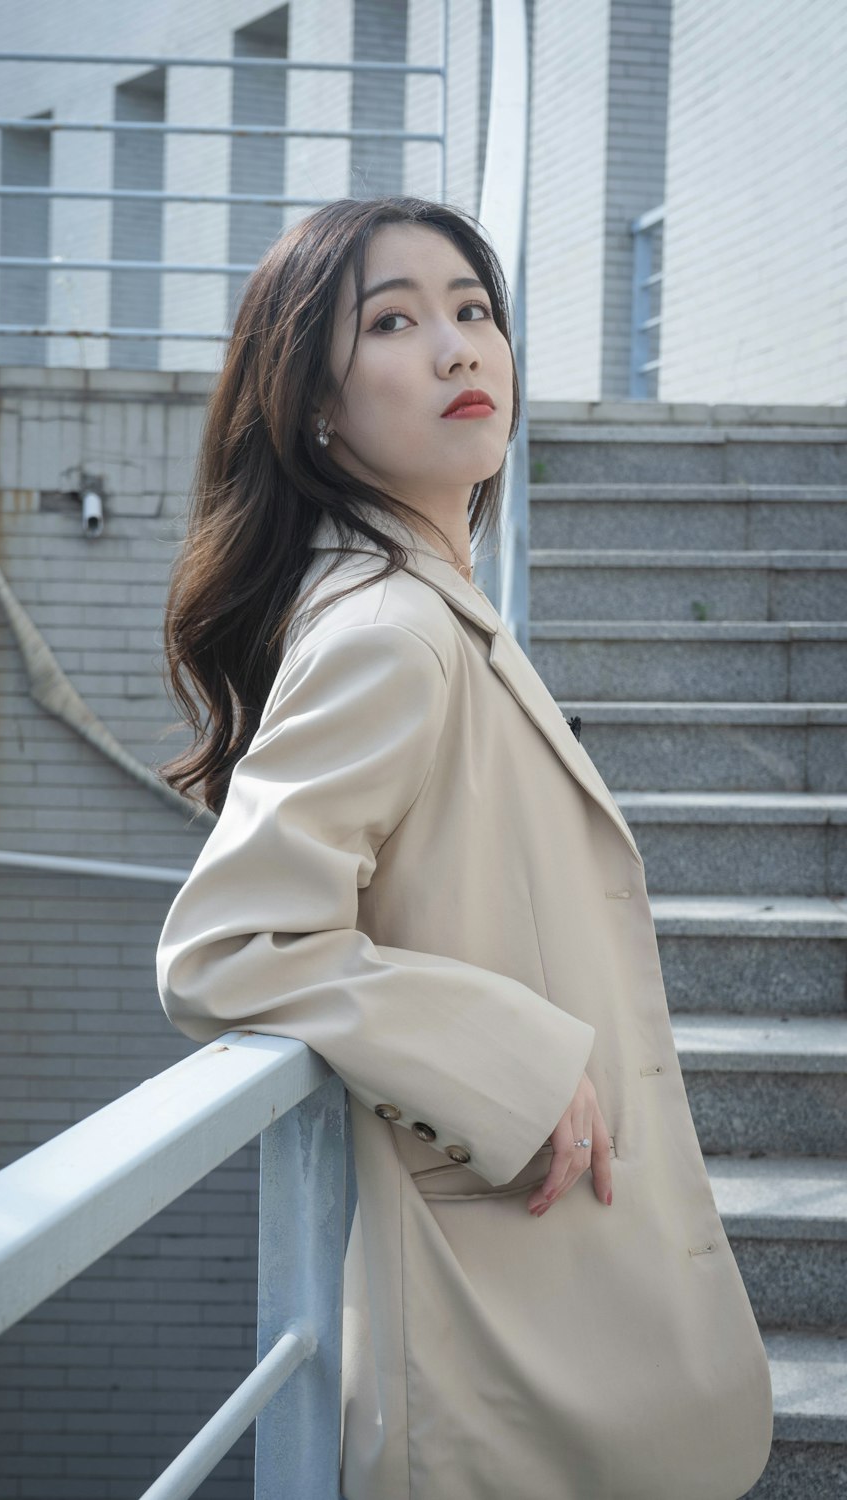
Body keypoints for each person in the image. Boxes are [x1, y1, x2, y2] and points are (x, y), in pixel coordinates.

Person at [154, 196, 773, 1499]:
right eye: (394, 320)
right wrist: (507, 1061)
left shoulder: (430, 609)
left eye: (473, 310)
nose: (457, 349)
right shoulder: (394, 631)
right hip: (508, 1344)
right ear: (314, 406)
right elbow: (228, 945)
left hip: (539, 1304)